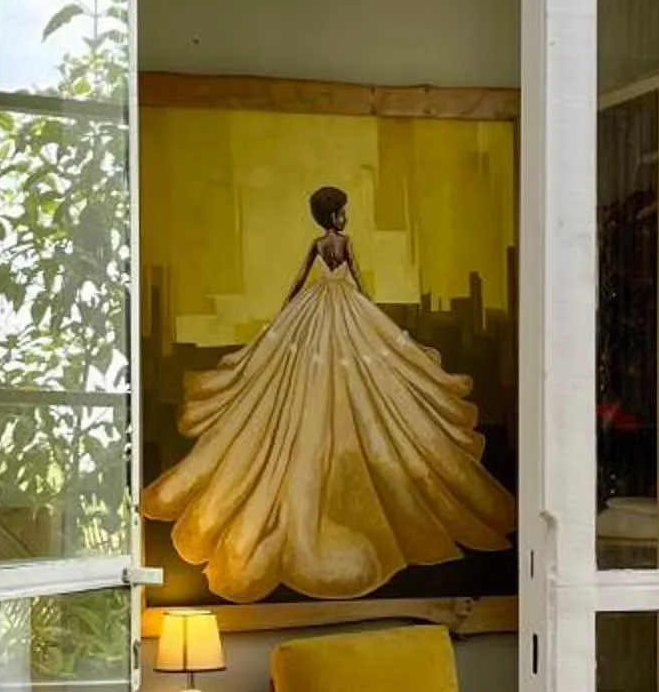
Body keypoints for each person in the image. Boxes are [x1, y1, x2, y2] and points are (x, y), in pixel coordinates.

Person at [140, 184, 517, 600]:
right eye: (342, 212)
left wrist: (291, 307)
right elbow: (351, 274)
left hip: (321, 304)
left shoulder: (320, 244)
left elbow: (302, 279)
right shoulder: (340, 243)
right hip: (339, 304)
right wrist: (363, 304)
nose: (345, 219)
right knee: (326, 376)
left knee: (343, 372)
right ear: (333, 215)